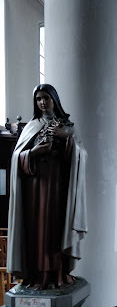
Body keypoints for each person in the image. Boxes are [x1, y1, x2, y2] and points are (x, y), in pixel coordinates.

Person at [7, 84, 87, 289]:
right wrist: (34, 152)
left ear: (55, 99)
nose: (42, 102)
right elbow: (17, 157)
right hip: (34, 188)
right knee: (36, 229)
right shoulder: (31, 126)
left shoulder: (67, 125)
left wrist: (65, 138)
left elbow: (81, 155)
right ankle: (36, 274)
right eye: (39, 99)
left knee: (54, 228)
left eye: (46, 98)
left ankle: (56, 274)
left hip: (58, 188)